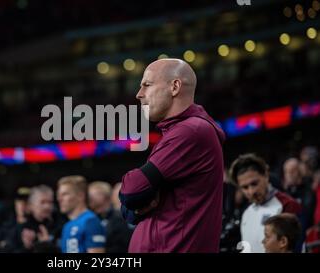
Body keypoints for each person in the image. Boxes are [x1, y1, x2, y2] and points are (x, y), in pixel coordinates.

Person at [119, 58, 225, 252]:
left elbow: (131, 191)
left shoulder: (191, 131)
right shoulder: (180, 131)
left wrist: (135, 198)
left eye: (147, 85)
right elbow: (130, 208)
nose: (138, 94)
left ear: (175, 87)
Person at [229, 153, 302, 253]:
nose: (251, 191)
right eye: (245, 187)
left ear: (266, 175)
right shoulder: (246, 213)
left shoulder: (288, 205)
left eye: (254, 183)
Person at [57, 175, 106, 253]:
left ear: (80, 196)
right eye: (59, 195)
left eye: (65, 194)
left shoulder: (90, 222)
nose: (59, 199)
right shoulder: (67, 226)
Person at [88, 181, 133, 253]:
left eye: (93, 194)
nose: (89, 198)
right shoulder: (90, 219)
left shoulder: (119, 219)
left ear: (104, 196)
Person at [282, 157, 316, 229]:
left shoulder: (308, 190)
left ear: (299, 172)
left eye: (292, 171)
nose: (289, 175)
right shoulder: (284, 192)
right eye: (286, 171)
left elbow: (308, 214)